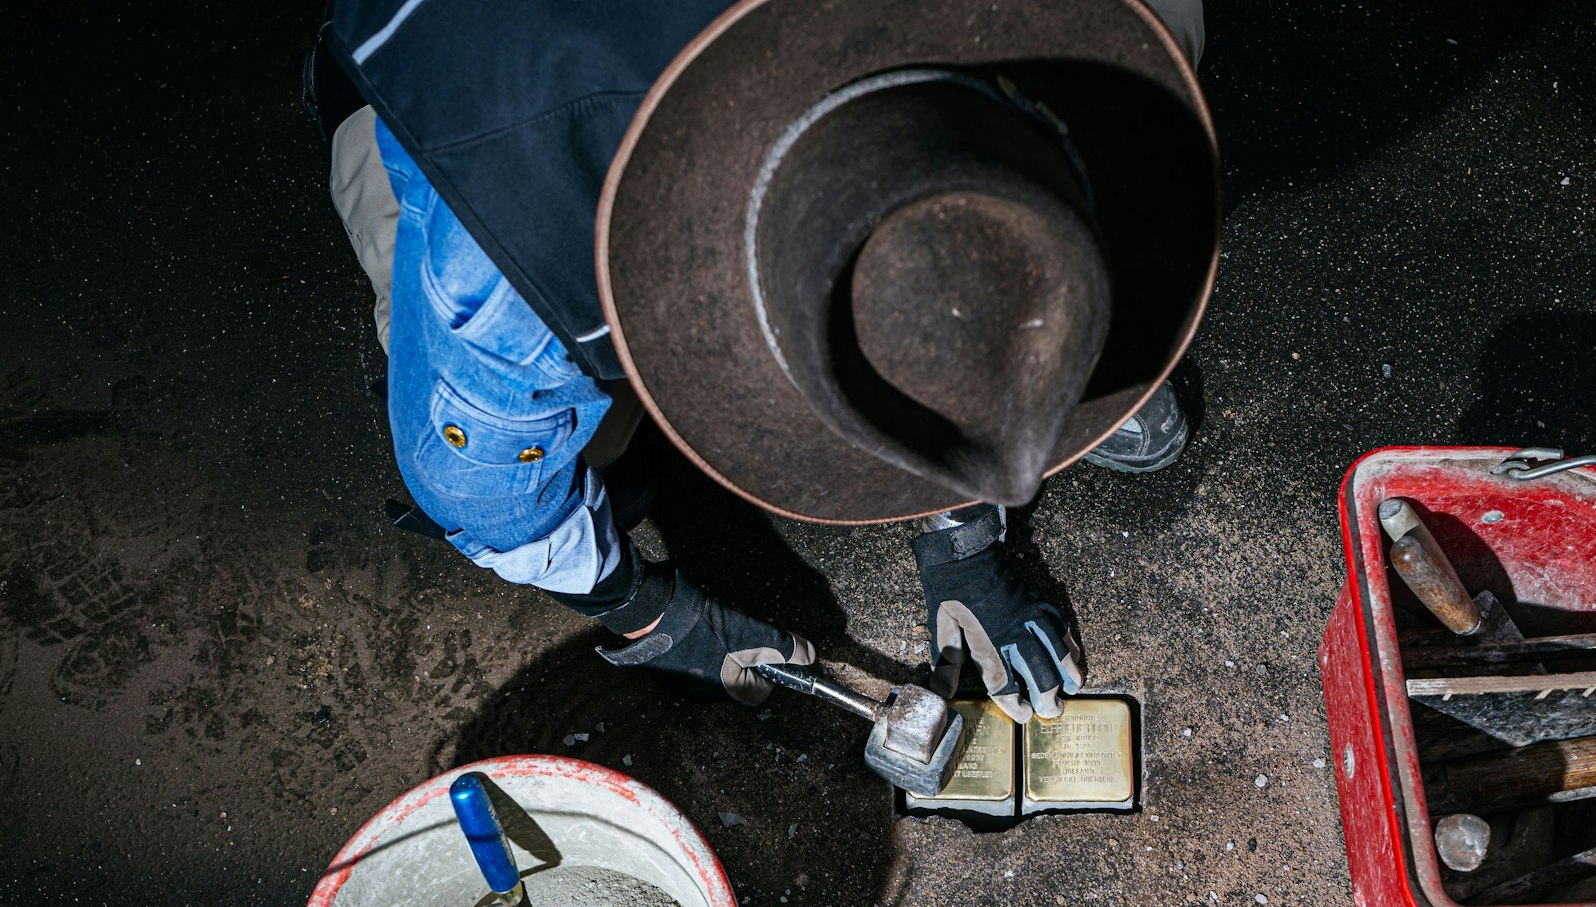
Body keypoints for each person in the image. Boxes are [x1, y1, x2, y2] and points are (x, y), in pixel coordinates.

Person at [306, 0, 1218, 724]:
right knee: (594, 464)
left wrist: (967, 524)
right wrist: (644, 612)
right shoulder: (524, 285)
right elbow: (474, 489)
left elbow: (914, 258)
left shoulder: (1133, 22)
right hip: (457, 87)